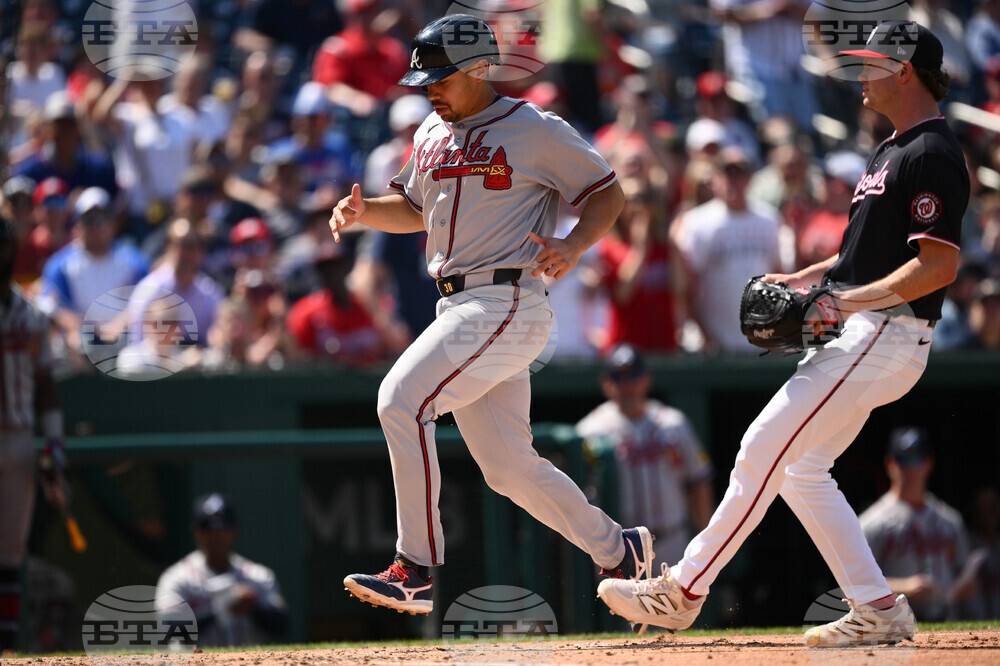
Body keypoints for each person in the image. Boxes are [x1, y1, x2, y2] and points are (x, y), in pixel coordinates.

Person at [597, 21, 970, 647]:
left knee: (762, 444)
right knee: (800, 469)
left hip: (886, 332)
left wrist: (844, 301)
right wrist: (808, 275)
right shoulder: (889, 149)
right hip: (869, 330)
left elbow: (939, 264)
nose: (858, 74)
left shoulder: (931, 151)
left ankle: (683, 589)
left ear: (904, 70)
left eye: (871, 63)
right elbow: (860, 253)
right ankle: (877, 607)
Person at [333, 14, 653, 615]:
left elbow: (607, 191)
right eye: (424, 79)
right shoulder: (430, 130)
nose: (431, 89)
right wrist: (366, 212)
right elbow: (411, 208)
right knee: (507, 467)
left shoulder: (533, 128)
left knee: (401, 400)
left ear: (481, 67)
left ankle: (416, 567)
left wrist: (576, 244)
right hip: (459, 305)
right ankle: (620, 551)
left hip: (507, 300)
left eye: (442, 78)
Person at [576, 344, 714, 569]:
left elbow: (698, 483)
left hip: (672, 542)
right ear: (606, 383)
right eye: (619, 377)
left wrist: (707, 543)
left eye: (634, 375)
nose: (628, 384)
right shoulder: (590, 431)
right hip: (619, 549)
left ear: (647, 378)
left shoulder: (673, 424)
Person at [0, 215, 68, 654]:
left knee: (9, 553)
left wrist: (54, 445)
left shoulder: (30, 314)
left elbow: (46, 385)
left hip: (19, 437)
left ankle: (5, 648)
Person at [860, 427, 981, 622]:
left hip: (946, 625)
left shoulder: (949, 519)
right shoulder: (870, 523)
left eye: (917, 459)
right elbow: (856, 586)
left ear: (929, 463)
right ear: (890, 464)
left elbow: (964, 575)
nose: (910, 468)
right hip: (894, 628)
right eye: (903, 460)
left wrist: (962, 588)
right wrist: (903, 588)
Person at [674, 147, 781, 354]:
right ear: (714, 178)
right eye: (726, 172)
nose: (733, 179)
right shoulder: (696, 222)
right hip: (712, 347)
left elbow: (779, 278)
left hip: (759, 343)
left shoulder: (769, 220)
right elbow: (685, 289)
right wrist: (705, 335)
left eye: (739, 173)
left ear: (749, 178)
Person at [155, 493, 287, 648]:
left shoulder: (257, 576)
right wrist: (220, 609)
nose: (217, 534)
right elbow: (168, 629)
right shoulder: (177, 578)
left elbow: (281, 624)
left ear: (235, 529)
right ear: (196, 531)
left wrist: (253, 609)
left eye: (224, 524)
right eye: (207, 526)